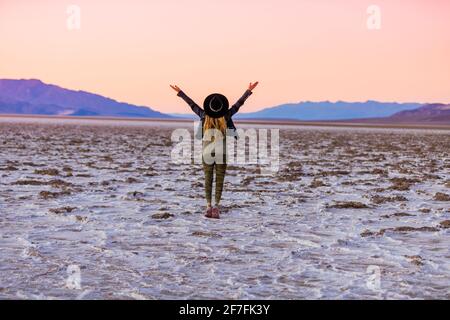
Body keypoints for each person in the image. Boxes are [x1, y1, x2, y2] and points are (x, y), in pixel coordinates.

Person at [170, 82, 259, 219]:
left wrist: (180, 92)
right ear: (222, 107)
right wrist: (248, 91)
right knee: (219, 180)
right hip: (221, 153)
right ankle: (216, 206)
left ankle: (208, 206)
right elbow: (238, 105)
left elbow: (191, 104)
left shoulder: (204, 116)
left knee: (208, 179)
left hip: (207, 153)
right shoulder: (226, 116)